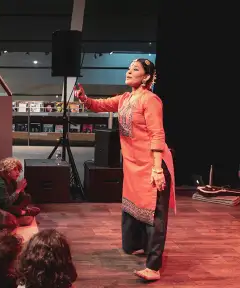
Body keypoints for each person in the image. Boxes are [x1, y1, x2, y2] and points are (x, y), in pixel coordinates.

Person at [74, 58, 175, 281]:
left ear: (147, 77)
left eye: (135, 69)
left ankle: (153, 267)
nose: (129, 72)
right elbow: (100, 105)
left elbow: (157, 134)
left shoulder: (151, 100)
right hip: (133, 165)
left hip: (151, 164)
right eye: (129, 69)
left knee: (154, 214)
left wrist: (157, 169)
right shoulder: (126, 98)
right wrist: (84, 99)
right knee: (134, 207)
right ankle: (137, 245)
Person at [0, 157, 40, 226]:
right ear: (6, 170)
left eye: (18, 170)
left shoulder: (13, 182)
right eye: (15, 169)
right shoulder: (0, 183)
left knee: (27, 197)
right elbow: (6, 203)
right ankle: (21, 215)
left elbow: (18, 199)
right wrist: (18, 190)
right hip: (0, 209)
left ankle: (22, 213)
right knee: (14, 211)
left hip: (11, 207)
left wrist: (21, 191)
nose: (18, 173)